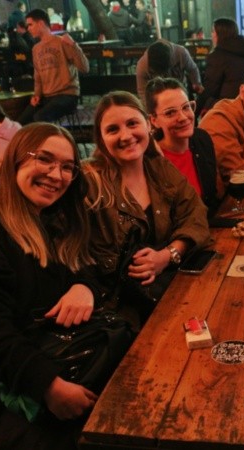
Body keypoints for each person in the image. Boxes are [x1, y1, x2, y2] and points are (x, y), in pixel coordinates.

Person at [0, 123, 99, 449]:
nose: (57, 175)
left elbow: (86, 263)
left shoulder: (52, 216)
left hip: (61, 364)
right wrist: (48, 386)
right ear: (16, 160)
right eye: (45, 160)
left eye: (67, 167)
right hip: (8, 403)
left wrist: (84, 286)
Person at [83, 91, 210, 328]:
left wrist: (167, 255)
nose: (126, 135)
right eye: (113, 130)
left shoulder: (160, 168)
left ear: (147, 125)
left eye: (132, 123)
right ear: (101, 139)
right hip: (114, 308)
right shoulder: (89, 180)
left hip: (166, 294)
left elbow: (197, 214)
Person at [146, 77, 222, 215]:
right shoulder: (149, 159)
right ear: (154, 120)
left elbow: (211, 199)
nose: (182, 117)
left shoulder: (202, 139)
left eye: (186, 107)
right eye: (170, 112)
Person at [18, 9, 89, 125]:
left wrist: (74, 45)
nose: (28, 28)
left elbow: (85, 68)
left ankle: (53, 142)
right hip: (47, 96)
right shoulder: (36, 49)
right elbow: (38, 77)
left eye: (30, 24)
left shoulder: (62, 42)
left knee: (39, 117)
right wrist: (36, 95)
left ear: (41, 23)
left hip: (67, 94)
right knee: (20, 123)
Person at [195, 17, 244, 116]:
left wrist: (195, 111)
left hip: (229, 108)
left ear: (219, 34)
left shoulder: (218, 56)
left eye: (213, 31)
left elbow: (210, 88)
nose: (211, 35)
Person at [135, 39, 203, 106]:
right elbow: (142, 92)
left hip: (181, 92)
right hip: (160, 99)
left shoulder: (181, 53)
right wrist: (150, 108)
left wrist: (196, 83)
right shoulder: (142, 66)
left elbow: (192, 69)